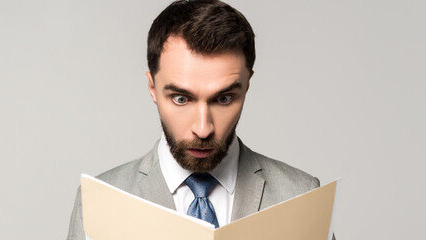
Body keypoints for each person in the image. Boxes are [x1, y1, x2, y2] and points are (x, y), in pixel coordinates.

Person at [66, 0, 332, 239]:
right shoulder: (100, 201)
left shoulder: (301, 195)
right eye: (181, 99)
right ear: (152, 88)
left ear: (247, 86)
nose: (203, 129)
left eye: (224, 98)